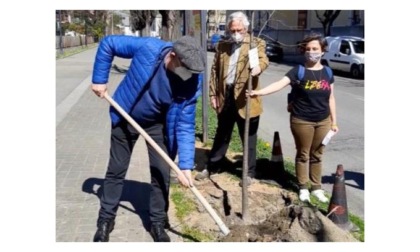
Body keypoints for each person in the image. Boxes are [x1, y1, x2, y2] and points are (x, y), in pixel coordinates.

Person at [91, 35, 206, 242]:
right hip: (126, 115)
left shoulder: (192, 81)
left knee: (161, 172)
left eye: (193, 72)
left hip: (158, 125)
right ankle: (106, 218)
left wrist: (186, 165)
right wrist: (100, 79)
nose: (188, 75)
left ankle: (157, 222)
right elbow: (108, 44)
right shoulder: (149, 48)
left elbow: (185, 124)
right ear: (172, 56)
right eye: (186, 69)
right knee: (117, 170)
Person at [248, 33, 339, 203]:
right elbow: (279, 84)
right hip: (302, 120)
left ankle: (316, 187)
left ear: (322, 51)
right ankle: (303, 186)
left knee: (318, 154)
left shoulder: (327, 71)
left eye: (315, 49)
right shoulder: (299, 71)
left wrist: (334, 121)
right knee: (303, 154)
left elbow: (331, 98)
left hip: (323, 120)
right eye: (308, 49)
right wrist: (259, 92)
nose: (311, 52)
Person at [195, 11, 269, 186]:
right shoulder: (223, 45)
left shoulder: (255, 43)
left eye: (239, 30)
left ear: (246, 28)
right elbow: (214, 71)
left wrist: (258, 68)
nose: (236, 33)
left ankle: (248, 172)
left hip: (246, 97)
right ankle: (214, 166)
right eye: (233, 30)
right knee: (222, 134)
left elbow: (263, 60)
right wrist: (213, 94)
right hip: (225, 95)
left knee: (248, 138)